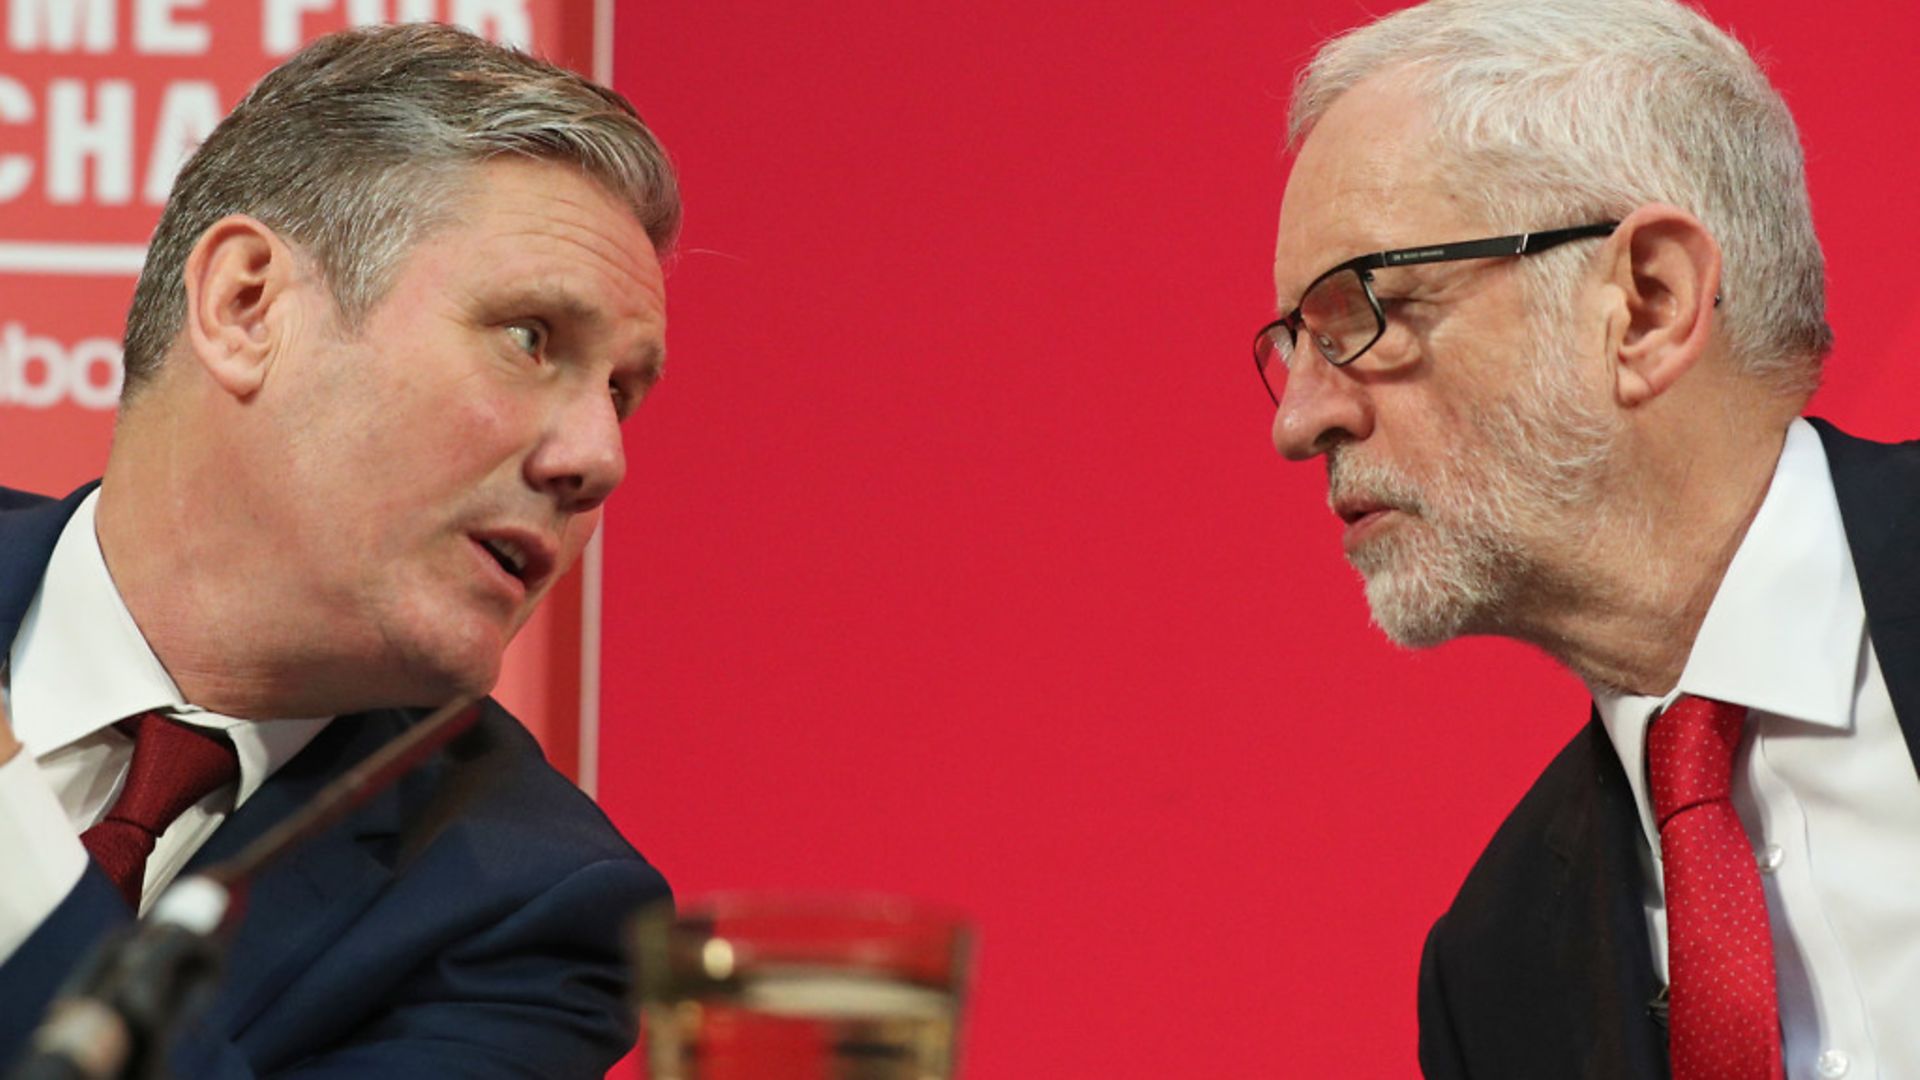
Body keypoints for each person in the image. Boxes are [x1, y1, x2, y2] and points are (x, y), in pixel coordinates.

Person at [0, 23, 677, 1077]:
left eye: (622, 396)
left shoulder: (535, 912)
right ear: (246, 305)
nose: (599, 459)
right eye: (532, 338)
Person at [1259, 0, 1919, 1076]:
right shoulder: (1495, 970)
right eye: (1293, 346)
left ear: (1648, 304)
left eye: (1362, 314)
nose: (1300, 422)